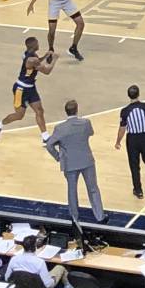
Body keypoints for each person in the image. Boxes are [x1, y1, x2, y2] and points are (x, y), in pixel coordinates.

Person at [44, 98, 103, 231]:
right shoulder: (85, 123)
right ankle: (99, 215)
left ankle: (75, 217)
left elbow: (49, 145)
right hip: (86, 160)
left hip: (70, 163)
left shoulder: (60, 128)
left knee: (72, 190)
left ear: (66, 112)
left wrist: (58, 156)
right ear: (77, 110)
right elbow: (90, 133)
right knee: (93, 188)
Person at [0, 33, 53, 142]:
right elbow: (47, 71)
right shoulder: (31, 59)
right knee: (19, 115)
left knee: (39, 111)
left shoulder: (31, 54)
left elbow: (37, 62)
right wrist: (54, 59)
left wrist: (45, 56)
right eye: (37, 43)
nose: (38, 44)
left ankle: (45, 136)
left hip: (31, 87)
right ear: (33, 45)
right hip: (20, 89)